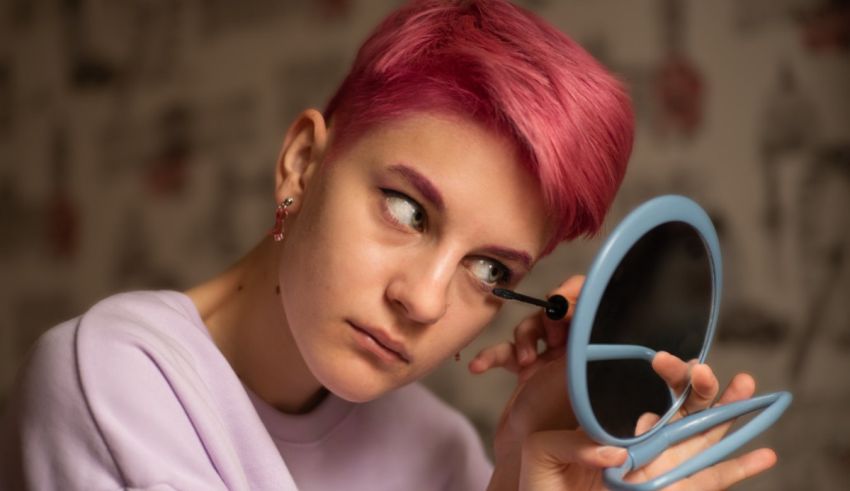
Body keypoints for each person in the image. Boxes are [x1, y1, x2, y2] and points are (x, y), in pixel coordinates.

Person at [0, 1, 777, 489]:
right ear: (302, 162)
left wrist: (530, 456)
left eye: (490, 267)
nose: (426, 299)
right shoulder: (112, 381)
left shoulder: (441, 451)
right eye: (408, 209)